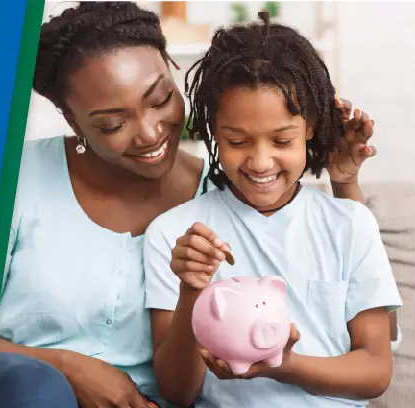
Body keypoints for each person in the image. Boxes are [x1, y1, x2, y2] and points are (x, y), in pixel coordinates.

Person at [0, 3, 378, 408]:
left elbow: (356, 319)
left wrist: (343, 179)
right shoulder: (15, 178)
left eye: (160, 99)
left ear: (173, 68)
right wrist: (67, 367)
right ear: (72, 120)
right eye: (112, 124)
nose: (150, 134)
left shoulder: (230, 191)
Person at [143, 11, 401, 408]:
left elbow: (375, 371)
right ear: (213, 129)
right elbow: (177, 393)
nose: (261, 163)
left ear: (311, 126)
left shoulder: (349, 223)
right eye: (238, 141)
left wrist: (282, 364)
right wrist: (192, 290)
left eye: (281, 141)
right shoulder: (176, 235)